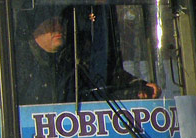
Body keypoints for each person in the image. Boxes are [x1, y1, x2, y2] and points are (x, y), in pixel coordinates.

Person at [17, 6, 161, 105]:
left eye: (60, 22)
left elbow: (105, 78)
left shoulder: (75, 59)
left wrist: (138, 87)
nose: (59, 28)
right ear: (35, 30)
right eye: (51, 23)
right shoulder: (17, 65)